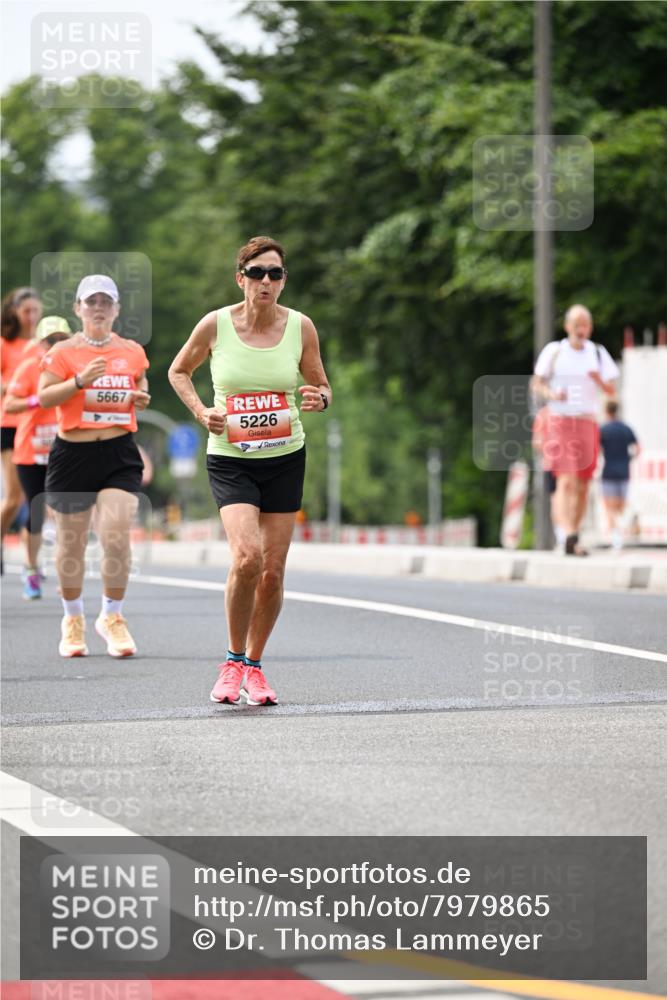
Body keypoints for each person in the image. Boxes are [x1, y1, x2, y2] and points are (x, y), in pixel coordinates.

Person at [168, 236, 332, 706]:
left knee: (273, 573)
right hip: (231, 457)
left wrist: (320, 399)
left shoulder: (300, 327)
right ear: (240, 278)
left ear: (283, 281)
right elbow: (179, 371)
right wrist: (202, 412)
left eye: (274, 274)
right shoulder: (216, 324)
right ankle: (232, 660)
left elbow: (321, 384)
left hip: (285, 457)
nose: (266, 281)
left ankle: (254, 668)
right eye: (257, 272)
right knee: (247, 558)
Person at [38, 275, 150, 657]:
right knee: (71, 544)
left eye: (106, 302)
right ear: (78, 308)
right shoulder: (63, 352)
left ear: (117, 309)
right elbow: (45, 396)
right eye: (91, 302)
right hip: (73, 455)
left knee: (116, 536)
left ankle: (112, 616)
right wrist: (78, 381)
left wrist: (141, 395)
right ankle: (73, 619)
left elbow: (139, 381)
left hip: (119, 453)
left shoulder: (132, 350)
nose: (98, 308)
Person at [531, 304, 618, 556]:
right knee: (566, 479)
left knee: (583, 483)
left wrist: (598, 380)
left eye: (586, 325)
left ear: (590, 328)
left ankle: (573, 533)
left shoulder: (598, 353)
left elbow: (611, 390)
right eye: (577, 324)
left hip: (587, 421)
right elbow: (537, 383)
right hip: (560, 420)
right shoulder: (554, 351)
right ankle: (567, 533)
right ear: (568, 326)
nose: (581, 330)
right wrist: (552, 394)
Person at [3, 316, 72, 599]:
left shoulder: (75, 367)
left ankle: (66, 572)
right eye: (50, 341)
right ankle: (31, 570)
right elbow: (9, 404)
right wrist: (38, 399)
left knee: (66, 510)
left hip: (64, 448)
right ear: (39, 343)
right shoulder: (29, 368)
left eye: (61, 340)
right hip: (31, 450)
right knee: (37, 509)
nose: (55, 345)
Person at [1, 287, 42, 568]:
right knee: (15, 498)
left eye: (35, 310)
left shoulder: (43, 345)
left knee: (37, 500)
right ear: (14, 312)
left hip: (39, 427)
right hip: (11, 425)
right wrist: (16, 386)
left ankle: (32, 563)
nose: (31, 316)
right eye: (26, 311)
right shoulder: (5, 344)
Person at [599, 400, 639, 550]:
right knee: (621, 505)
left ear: (606, 411)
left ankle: (616, 539)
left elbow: (597, 449)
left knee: (609, 507)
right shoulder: (626, 428)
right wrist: (629, 459)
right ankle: (631, 514)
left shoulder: (603, 429)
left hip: (609, 471)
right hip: (624, 471)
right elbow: (638, 448)